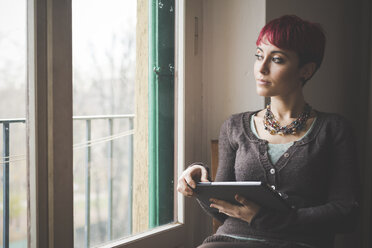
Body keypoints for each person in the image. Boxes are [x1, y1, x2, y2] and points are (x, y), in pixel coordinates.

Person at [177, 15, 360, 248]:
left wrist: (271, 219)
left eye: (277, 59)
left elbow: (346, 214)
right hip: (229, 241)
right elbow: (225, 212)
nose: (261, 68)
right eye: (258, 56)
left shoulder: (334, 130)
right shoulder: (234, 127)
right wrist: (199, 183)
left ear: (306, 70)